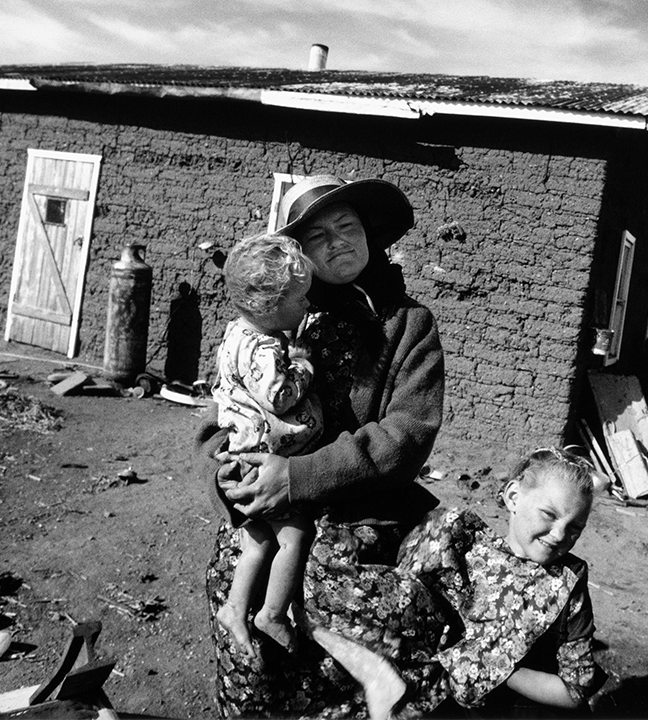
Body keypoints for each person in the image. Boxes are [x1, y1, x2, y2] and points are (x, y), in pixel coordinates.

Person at [196, 174, 446, 718]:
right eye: (318, 235)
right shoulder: (276, 314)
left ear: (371, 235)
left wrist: (299, 475)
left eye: (348, 226)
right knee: (238, 596)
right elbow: (223, 411)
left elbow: (406, 433)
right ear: (299, 254)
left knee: (353, 622)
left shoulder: (409, 326)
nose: (337, 242)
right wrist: (224, 472)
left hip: (361, 512)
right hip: (268, 504)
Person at [397, 447, 604, 717]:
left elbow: (575, 691)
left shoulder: (567, 582)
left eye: (575, 527)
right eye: (549, 514)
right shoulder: (461, 554)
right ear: (513, 497)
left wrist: (494, 666)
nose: (559, 535)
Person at [211, 233, 321, 660]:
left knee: (258, 542)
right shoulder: (262, 349)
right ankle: (271, 614)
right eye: (300, 299)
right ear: (269, 306)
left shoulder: (237, 333)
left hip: (242, 453)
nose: (307, 305)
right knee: (293, 535)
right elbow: (279, 398)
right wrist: (304, 364)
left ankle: (235, 608)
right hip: (261, 459)